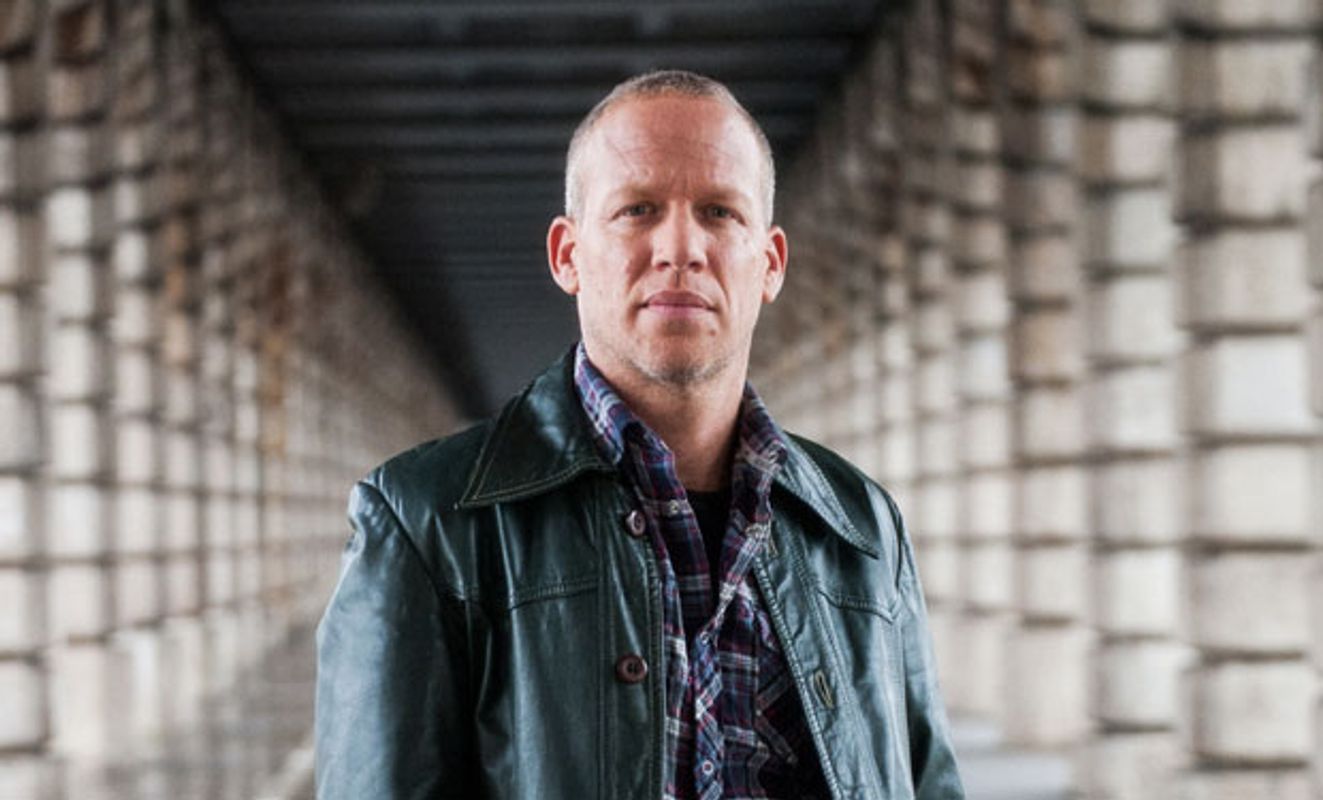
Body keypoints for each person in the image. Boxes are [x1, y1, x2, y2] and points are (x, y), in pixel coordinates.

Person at [314, 70, 965, 800]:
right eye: (637, 210)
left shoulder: (863, 529)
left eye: (719, 212)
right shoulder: (424, 523)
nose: (681, 247)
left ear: (770, 263)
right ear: (567, 255)